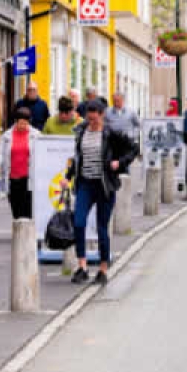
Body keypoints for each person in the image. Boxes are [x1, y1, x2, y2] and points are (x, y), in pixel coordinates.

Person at [61, 100, 139, 286]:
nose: (92, 123)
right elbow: (78, 158)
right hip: (85, 184)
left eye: (95, 119)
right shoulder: (81, 131)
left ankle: (103, 269)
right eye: (89, 119)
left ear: (102, 115)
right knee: (79, 223)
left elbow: (133, 149)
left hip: (104, 186)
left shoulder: (110, 133)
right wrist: (68, 177)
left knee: (101, 227)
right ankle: (83, 267)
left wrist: (119, 163)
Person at [0, 106, 40, 220]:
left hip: (28, 178)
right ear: (15, 122)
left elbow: (41, 154)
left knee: (28, 210)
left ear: (29, 122)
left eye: (25, 123)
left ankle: (27, 235)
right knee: (16, 209)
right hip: (12, 179)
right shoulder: (7, 136)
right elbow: (0, 154)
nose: (22, 126)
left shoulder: (36, 135)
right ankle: (19, 235)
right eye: (20, 123)